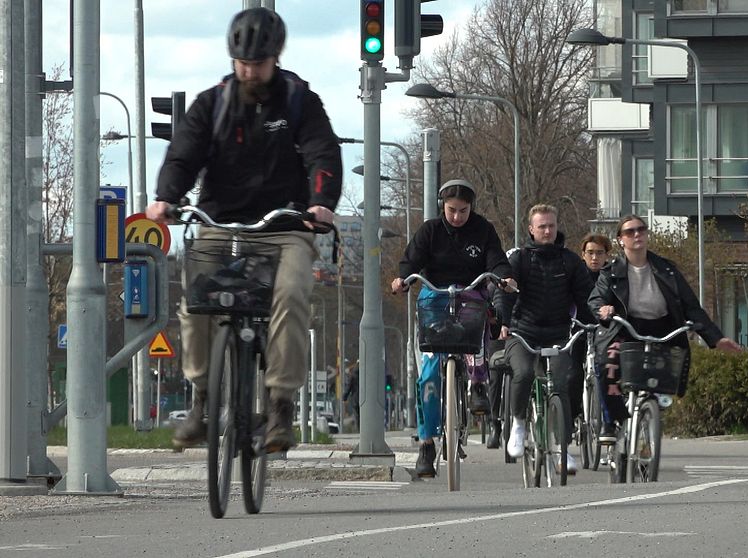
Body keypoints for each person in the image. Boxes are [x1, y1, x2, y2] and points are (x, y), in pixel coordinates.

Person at [147, 7, 342, 453]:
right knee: (196, 299)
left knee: (291, 294)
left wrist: (320, 203)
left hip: (285, 226)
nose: (249, 70)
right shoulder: (211, 104)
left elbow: (322, 154)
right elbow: (183, 155)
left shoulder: (299, 102)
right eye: (242, 63)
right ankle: (201, 399)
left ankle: (279, 405)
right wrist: (166, 197)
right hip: (220, 222)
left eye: (258, 62)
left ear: (275, 58)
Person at [390, 179, 516, 478]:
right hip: (436, 296)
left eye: (463, 210)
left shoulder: (482, 229)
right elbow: (411, 260)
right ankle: (427, 442)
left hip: (470, 295)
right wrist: (403, 279)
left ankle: (478, 384)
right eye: (452, 210)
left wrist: (504, 277)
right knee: (429, 374)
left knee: (476, 330)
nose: (458, 216)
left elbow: (495, 259)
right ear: (441, 206)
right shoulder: (430, 231)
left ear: (471, 208)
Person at [588, 215, 742, 442]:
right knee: (608, 364)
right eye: (630, 232)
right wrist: (603, 309)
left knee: (661, 376)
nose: (637, 235)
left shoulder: (666, 269)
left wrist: (716, 339)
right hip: (625, 330)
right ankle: (612, 422)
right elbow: (596, 299)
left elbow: (691, 307)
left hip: (662, 331)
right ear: (621, 240)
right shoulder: (610, 272)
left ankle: (650, 413)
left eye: (641, 230)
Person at [496, 205, 595, 474]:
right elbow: (505, 292)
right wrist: (504, 321)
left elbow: (586, 296)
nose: (548, 231)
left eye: (551, 225)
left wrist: (594, 321)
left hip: (557, 334)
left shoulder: (571, 261)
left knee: (561, 385)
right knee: (525, 373)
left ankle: (563, 451)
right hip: (522, 333)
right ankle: (517, 424)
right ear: (531, 229)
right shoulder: (519, 259)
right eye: (542, 226)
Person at [574, 233, 612, 440]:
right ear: (583, 254)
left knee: (605, 372)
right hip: (578, 329)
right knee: (572, 374)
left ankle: (607, 419)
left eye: (599, 253)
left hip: (603, 331)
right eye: (590, 253)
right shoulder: (576, 274)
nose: (595, 257)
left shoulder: (611, 276)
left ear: (607, 255)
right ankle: (574, 413)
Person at [342, 361, 360, 431]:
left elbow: (349, 387)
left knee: (358, 415)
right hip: (367, 399)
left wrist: (344, 397)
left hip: (356, 398)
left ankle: (359, 430)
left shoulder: (353, 375)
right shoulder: (367, 375)